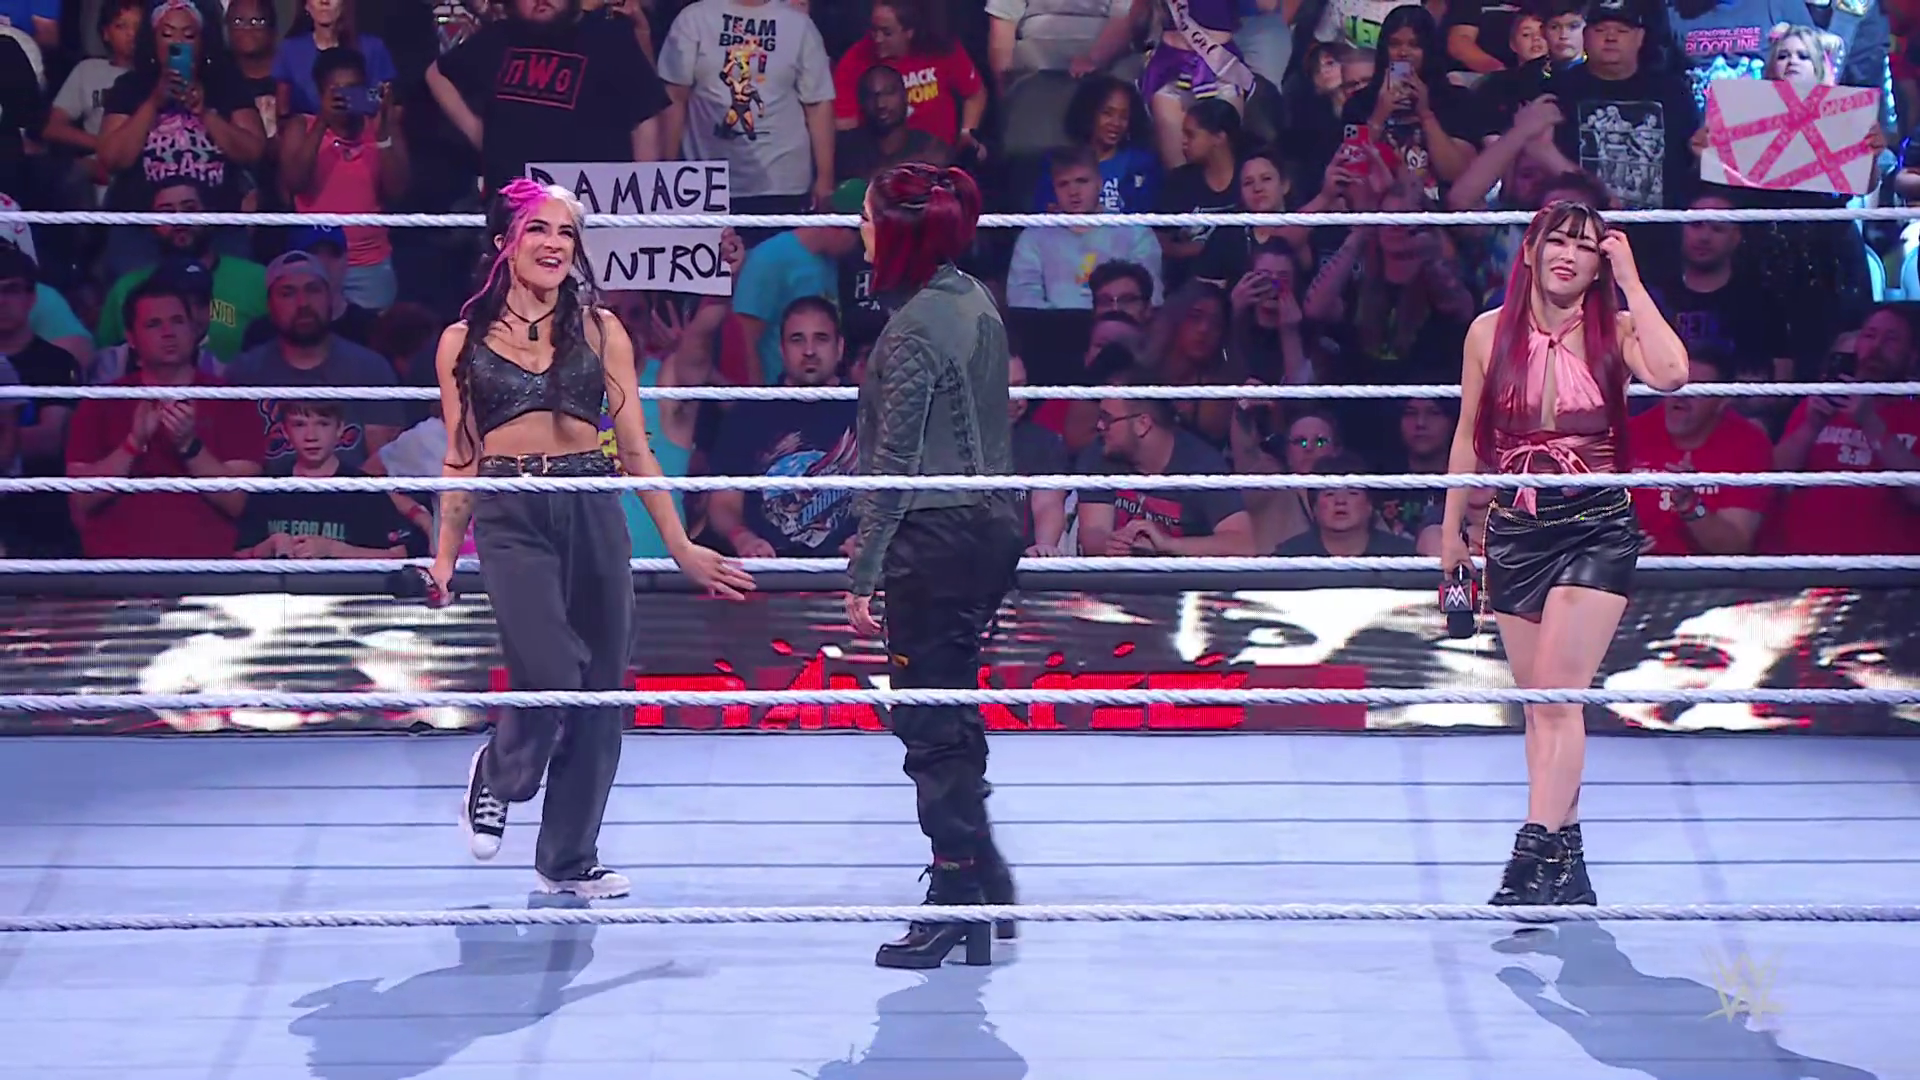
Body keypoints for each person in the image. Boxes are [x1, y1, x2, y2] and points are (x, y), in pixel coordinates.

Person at [435, 178, 754, 900]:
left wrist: (680, 545)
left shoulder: (603, 329)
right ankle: (499, 773)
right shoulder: (462, 342)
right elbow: (460, 456)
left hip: (592, 502)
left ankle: (567, 859)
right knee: (553, 668)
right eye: (538, 229)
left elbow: (637, 448)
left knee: (602, 688)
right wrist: (444, 558)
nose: (554, 244)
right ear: (504, 243)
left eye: (566, 233)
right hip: (511, 510)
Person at [1439, 199, 1687, 907]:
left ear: (1598, 262)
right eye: (1558, 240)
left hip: (1595, 525)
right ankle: (1568, 863)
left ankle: (1531, 850)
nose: (1568, 254)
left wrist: (1631, 280)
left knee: (1557, 695)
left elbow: (1673, 374)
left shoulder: (1618, 329)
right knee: (1540, 707)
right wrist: (1453, 532)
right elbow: (1467, 434)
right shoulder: (1488, 332)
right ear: (1530, 251)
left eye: (1585, 245)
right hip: (1517, 529)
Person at [844, 163, 1022, 969]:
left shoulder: (915, 328)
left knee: (928, 718)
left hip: (937, 532)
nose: (858, 228)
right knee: (950, 704)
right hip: (986, 526)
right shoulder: (971, 296)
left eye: (867, 216)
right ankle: (981, 878)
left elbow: (898, 462)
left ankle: (956, 895)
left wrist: (865, 568)